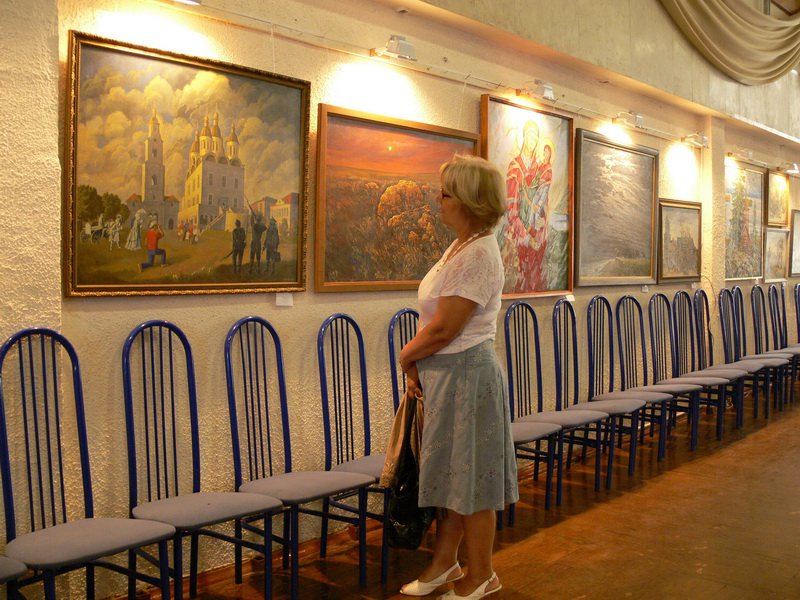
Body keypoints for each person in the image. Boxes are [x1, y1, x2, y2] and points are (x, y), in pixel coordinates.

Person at [398, 155, 518, 599]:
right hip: (449, 376)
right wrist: (419, 364)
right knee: (451, 477)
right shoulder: (463, 246)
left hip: (468, 376)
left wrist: (405, 356)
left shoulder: (480, 254)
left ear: (467, 200)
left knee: (473, 481)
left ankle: (481, 573)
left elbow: (446, 328)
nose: (439, 200)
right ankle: (444, 563)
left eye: (445, 193)